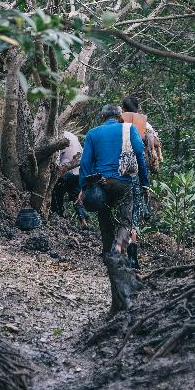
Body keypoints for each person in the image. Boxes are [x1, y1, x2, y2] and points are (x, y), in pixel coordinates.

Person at [78, 104, 149, 262]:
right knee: (126, 219)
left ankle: (106, 253)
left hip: (101, 182)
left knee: (104, 216)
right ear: (119, 117)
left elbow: (85, 164)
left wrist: (83, 188)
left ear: (102, 117)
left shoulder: (92, 133)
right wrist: (145, 183)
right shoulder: (129, 129)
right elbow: (139, 154)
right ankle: (118, 246)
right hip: (123, 182)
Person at [120, 96, 162, 269]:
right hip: (137, 171)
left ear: (123, 108)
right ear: (138, 108)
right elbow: (156, 144)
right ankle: (132, 257)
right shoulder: (145, 124)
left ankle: (115, 250)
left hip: (117, 172)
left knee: (121, 213)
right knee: (134, 215)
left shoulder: (118, 121)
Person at [52, 130, 89, 227]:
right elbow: (81, 151)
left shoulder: (56, 136)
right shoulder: (72, 135)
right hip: (77, 171)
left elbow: (56, 158)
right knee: (76, 196)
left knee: (57, 195)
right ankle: (84, 220)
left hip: (65, 171)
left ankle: (58, 216)